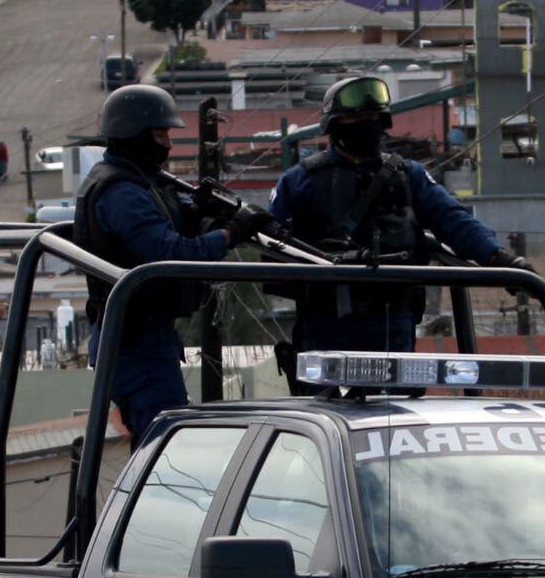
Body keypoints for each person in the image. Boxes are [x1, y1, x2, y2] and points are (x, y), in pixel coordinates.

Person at [268, 74, 521, 365]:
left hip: (394, 321)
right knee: (326, 405)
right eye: (358, 118)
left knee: (397, 404)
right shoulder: (300, 180)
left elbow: (453, 219)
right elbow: (273, 252)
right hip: (327, 325)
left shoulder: (407, 176)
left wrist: (499, 258)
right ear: (335, 125)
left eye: (373, 116)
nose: (367, 124)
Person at [75, 84, 268, 441]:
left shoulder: (138, 182)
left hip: (143, 336)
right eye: (159, 133)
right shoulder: (121, 192)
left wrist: (199, 211)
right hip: (136, 343)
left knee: (160, 445)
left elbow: (168, 220)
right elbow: (171, 254)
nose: (167, 144)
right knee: (164, 447)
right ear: (134, 134)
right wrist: (230, 235)